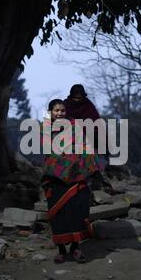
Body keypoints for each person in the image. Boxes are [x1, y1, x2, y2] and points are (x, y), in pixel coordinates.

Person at [40, 99, 102, 264]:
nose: (60, 113)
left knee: (76, 212)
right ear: (50, 112)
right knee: (58, 215)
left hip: (76, 176)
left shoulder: (74, 128)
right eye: (56, 110)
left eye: (62, 110)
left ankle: (75, 248)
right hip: (55, 178)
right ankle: (61, 250)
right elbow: (47, 151)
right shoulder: (45, 129)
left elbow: (84, 147)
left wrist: (78, 161)